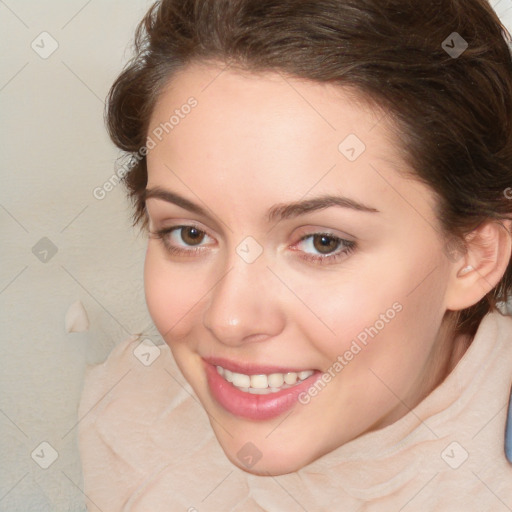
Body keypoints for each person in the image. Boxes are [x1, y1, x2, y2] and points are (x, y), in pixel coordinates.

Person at [78, 0, 512, 509]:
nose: (230, 320)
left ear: (475, 256)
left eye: (322, 243)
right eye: (190, 234)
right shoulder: (124, 415)